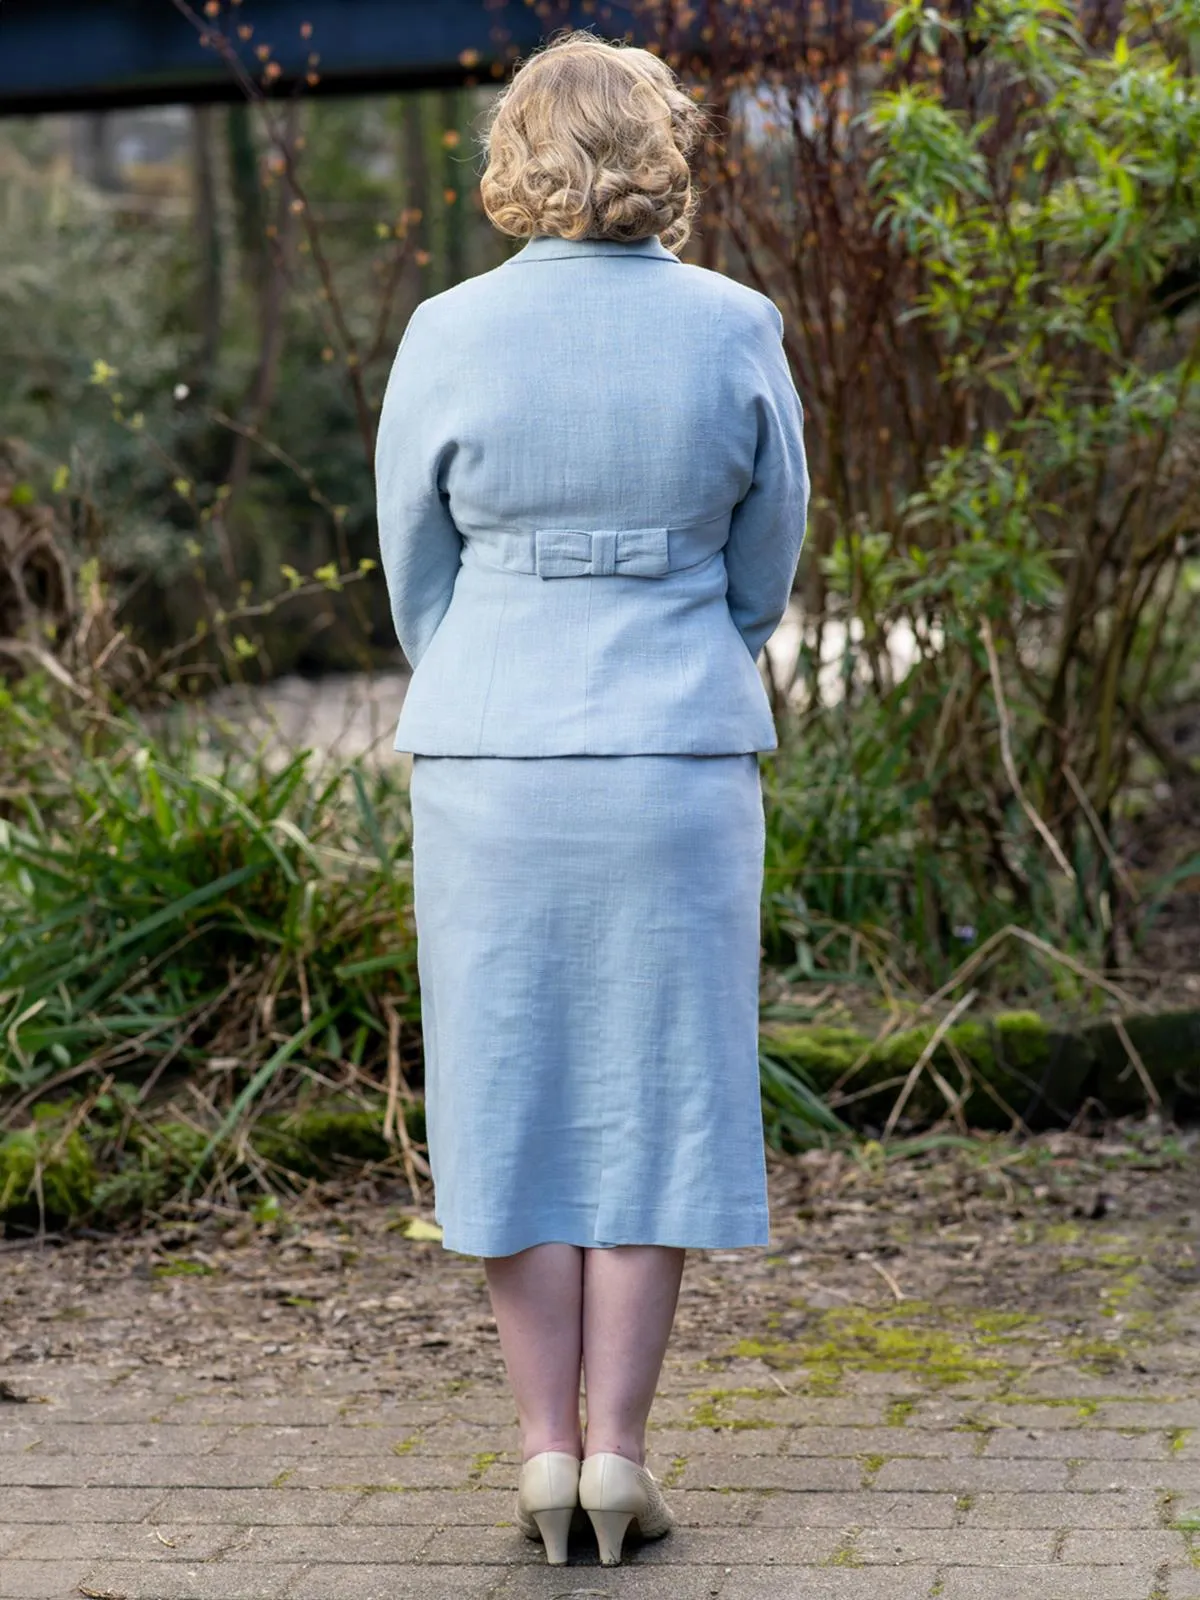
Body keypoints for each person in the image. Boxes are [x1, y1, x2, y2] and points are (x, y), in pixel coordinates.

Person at [374, 27, 808, 1568]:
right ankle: (621, 1452)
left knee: (512, 1091)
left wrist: (500, 662)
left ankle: (541, 1454)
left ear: (518, 155)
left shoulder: (444, 330)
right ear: (659, 151)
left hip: (493, 753)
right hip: (677, 751)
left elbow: (414, 570)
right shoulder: (735, 324)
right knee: (657, 1097)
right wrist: (681, 645)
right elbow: (771, 561)